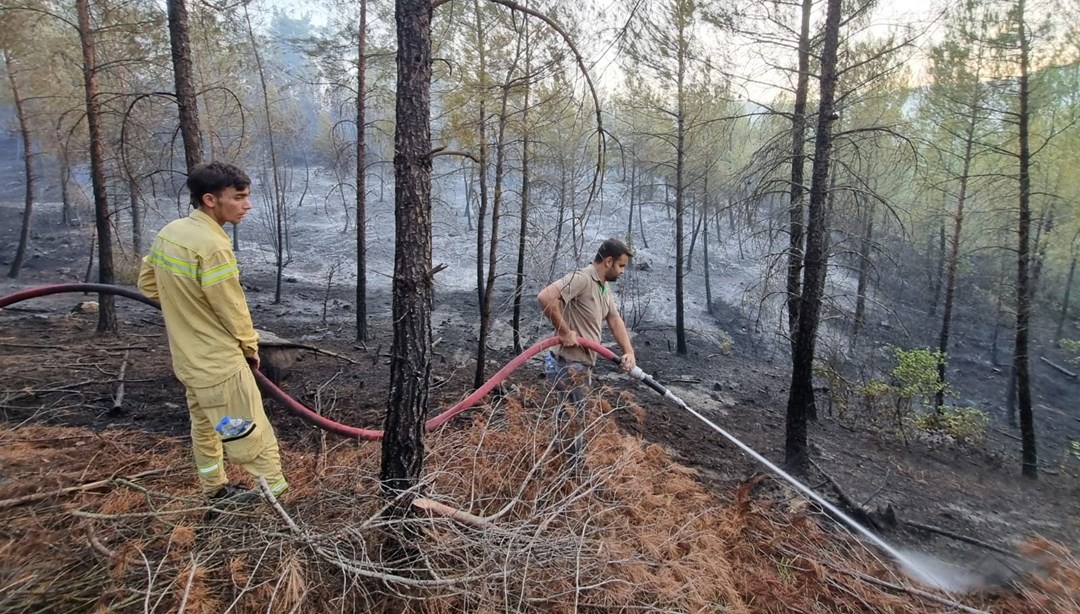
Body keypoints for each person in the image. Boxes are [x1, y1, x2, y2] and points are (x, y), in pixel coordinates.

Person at [138, 161, 287, 504]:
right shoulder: (213, 246)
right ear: (210, 199)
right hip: (219, 365)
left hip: (188, 361)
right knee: (249, 433)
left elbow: (147, 285)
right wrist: (251, 348)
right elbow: (232, 309)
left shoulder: (171, 232)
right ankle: (278, 506)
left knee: (207, 426)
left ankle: (215, 490)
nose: (247, 205)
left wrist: (185, 308)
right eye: (239, 197)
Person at [537, 238, 638, 459]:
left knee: (571, 417)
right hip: (568, 364)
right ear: (608, 261)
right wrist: (563, 330)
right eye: (621, 266)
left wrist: (628, 351)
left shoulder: (603, 287)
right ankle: (571, 473)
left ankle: (561, 465)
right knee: (574, 420)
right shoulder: (583, 278)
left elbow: (614, 319)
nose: (622, 272)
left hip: (580, 365)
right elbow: (545, 297)